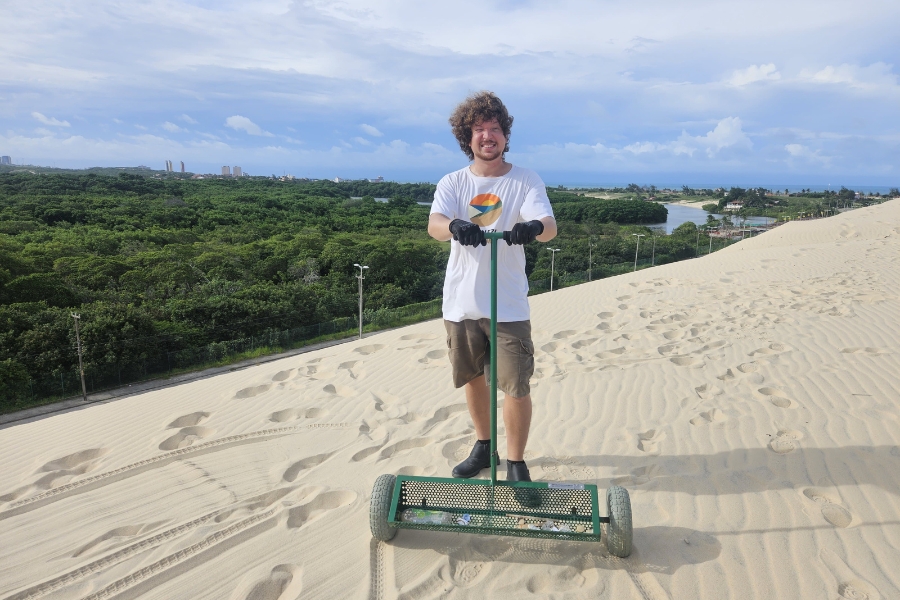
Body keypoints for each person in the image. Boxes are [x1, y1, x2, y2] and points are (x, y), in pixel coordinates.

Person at [428, 91, 557, 486]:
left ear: (505, 135)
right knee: (472, 377)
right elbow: (434, 224)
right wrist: (455, 226)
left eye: (495, 129)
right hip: (462, 302)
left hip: (509, 304)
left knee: (515, 384)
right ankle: (484, 445)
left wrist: (533, 228)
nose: (488, 136)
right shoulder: (453, 182)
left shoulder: (526, 179)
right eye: (479, 130)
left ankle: (515, 462)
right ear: (466, 138)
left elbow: (548, 227)